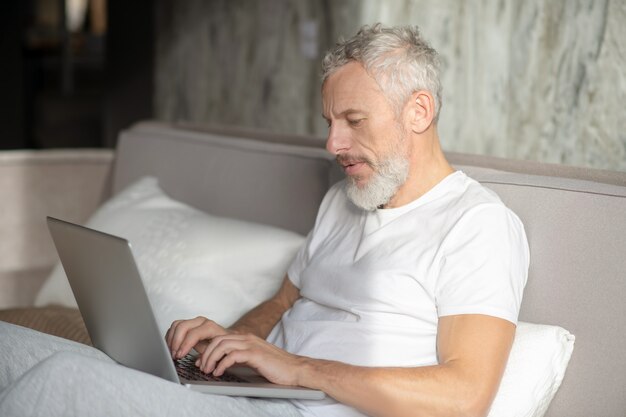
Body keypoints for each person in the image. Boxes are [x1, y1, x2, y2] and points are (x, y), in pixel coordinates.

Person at [0, 24, 528, 417]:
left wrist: (296, 369)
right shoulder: (346, 201)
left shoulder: (476, 224)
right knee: (10, 346)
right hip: (253, 397)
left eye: (353, 121)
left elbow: (466, 395)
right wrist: (230, 344)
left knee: (65, 380)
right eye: (329, 122)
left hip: (301, 410)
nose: (332, 144)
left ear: (419, 112)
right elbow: (281, 302)